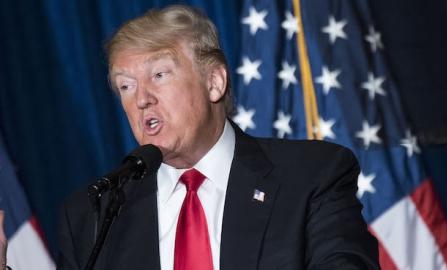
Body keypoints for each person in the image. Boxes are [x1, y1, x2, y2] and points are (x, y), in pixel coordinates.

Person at [57, 5, 379, 270]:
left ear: (214, 81)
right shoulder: (96, 215)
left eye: (159, 75)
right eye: (126, 85)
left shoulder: (311, 176)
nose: (142, 99)